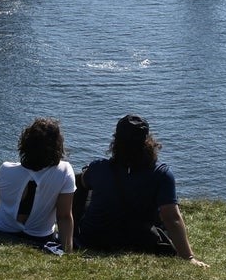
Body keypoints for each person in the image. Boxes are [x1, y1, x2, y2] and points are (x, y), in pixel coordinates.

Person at [75, 114, 206, 265]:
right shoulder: (161, 175)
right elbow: (172, 218)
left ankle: (73, 229)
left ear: (116, 141)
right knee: (163, 205)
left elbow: (81, 183)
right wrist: (188, 257)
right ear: (148, 142)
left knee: (84, 186)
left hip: (94, 238)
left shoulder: (98, 168)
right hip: (138, 240)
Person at [0, 118, 76, 254]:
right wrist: (67, 251)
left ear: (25, 144)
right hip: (40, 236)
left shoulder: (5, 168)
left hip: (1, 229)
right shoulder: (65, 171)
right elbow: (64, 216)